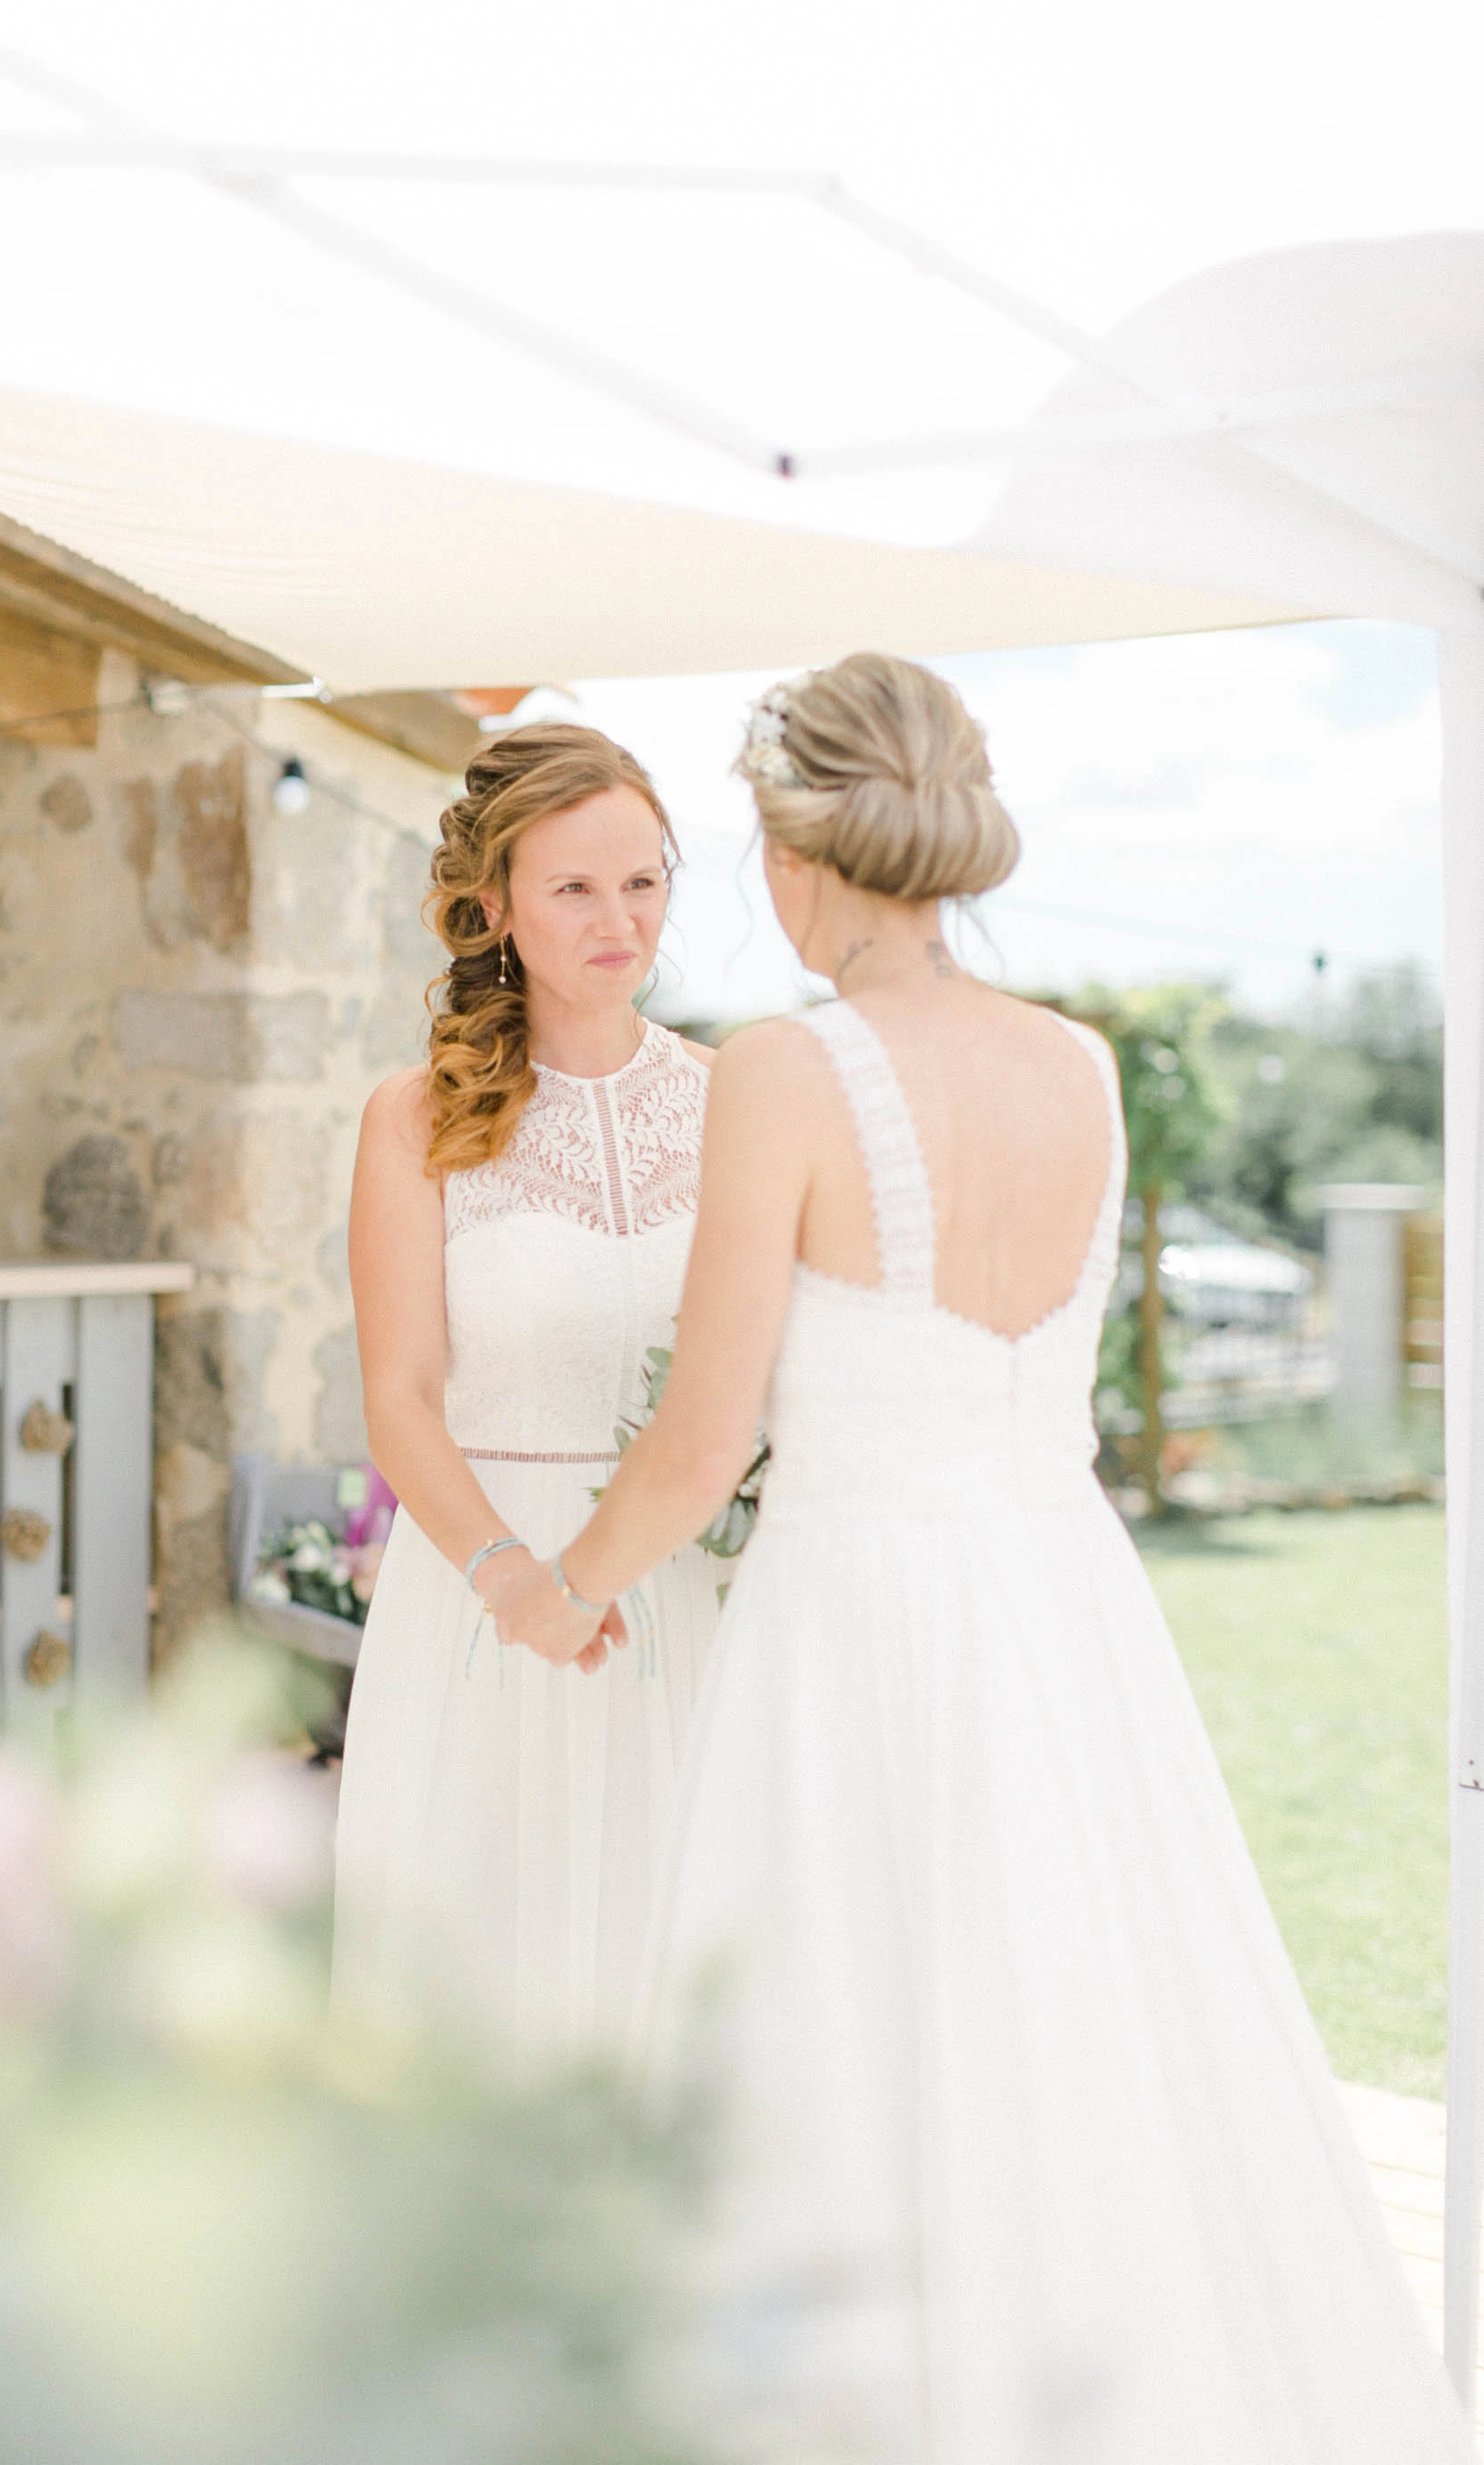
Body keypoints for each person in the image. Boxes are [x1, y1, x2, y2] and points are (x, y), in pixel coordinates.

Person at [495, 657, 1473, 2461]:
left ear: (800, 854)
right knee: (1077, 2020)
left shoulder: (786, 1067)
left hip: (859, 1618)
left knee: (848, 2047)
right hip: (1057, 1603)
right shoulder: (1081, 1064)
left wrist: (555, 1585)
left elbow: (705, 1431)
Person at [331, 723, 721, 2047]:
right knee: (479, 2002)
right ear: (492, 905)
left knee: (678, 1993)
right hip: (483, 1605)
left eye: (643, 881)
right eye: (573, 888)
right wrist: (513, 1582)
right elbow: (400, 1397)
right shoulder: (413, 1118)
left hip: (688, 1606)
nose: (620, 919)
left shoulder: (736, 1105)